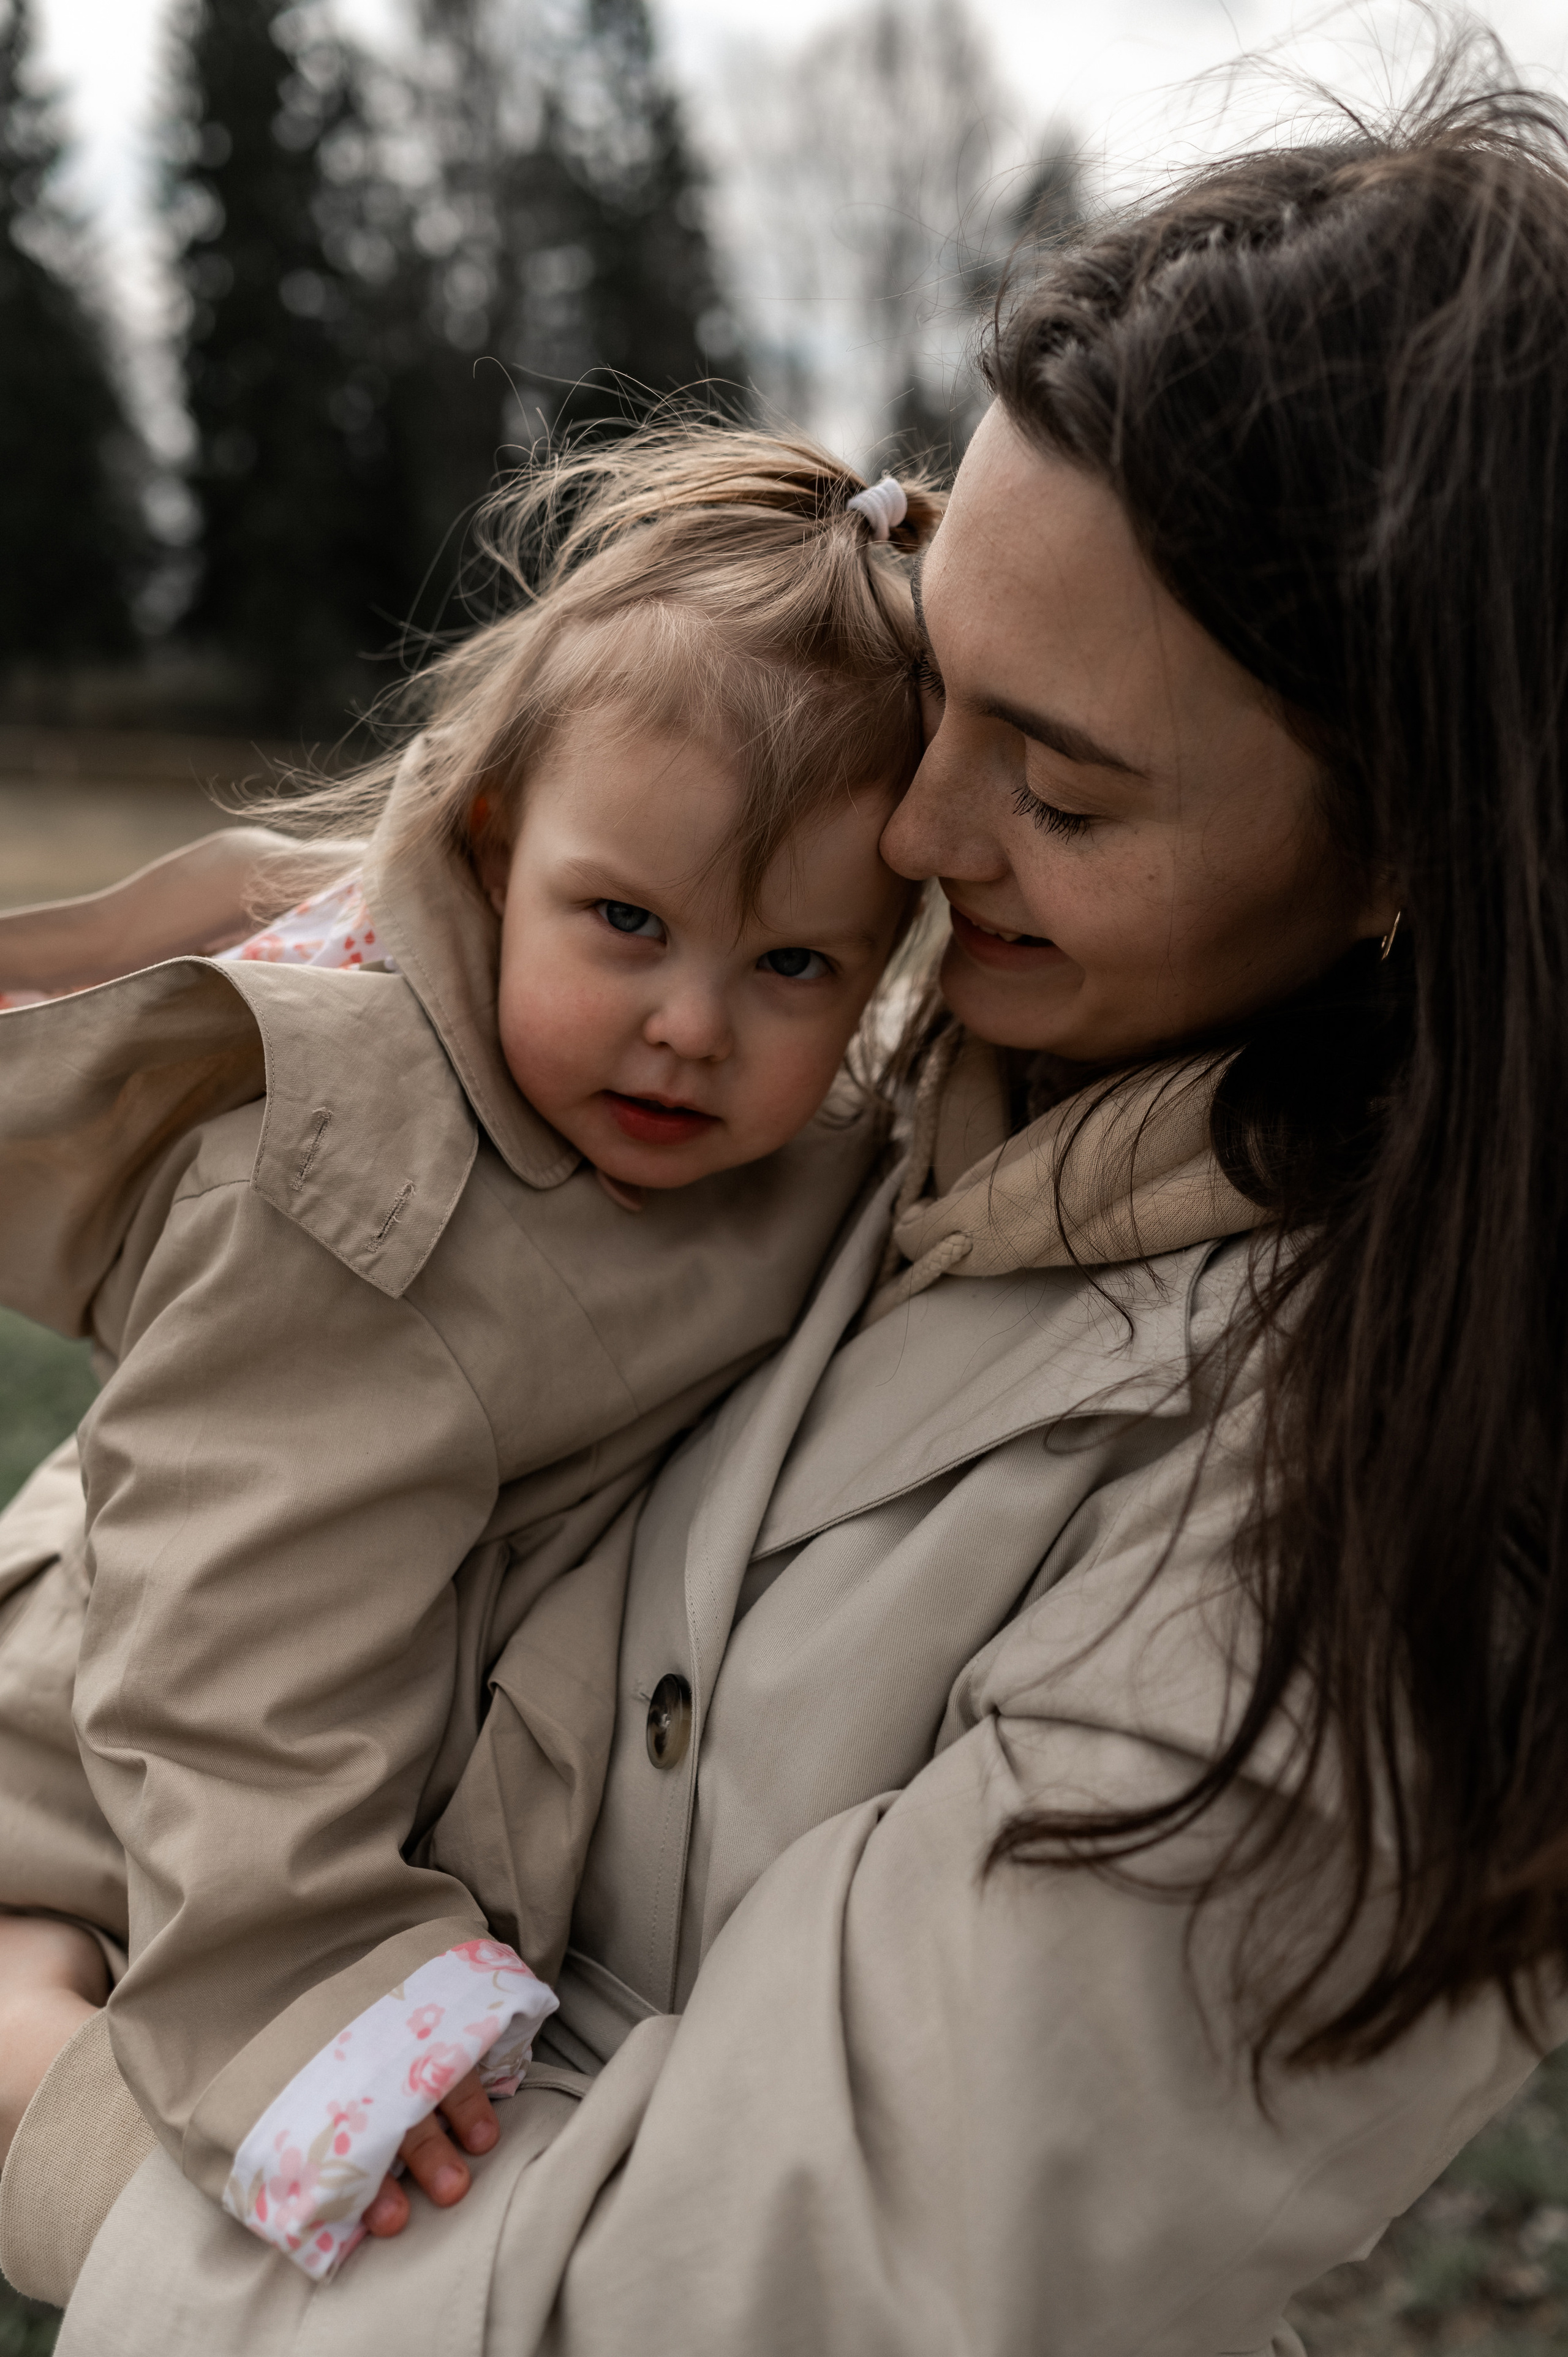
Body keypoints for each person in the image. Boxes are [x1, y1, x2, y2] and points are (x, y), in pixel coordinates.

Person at [9, 59, 1568, 2356]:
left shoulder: (1400, 1524)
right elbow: (254, 1434)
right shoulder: (897, 1087)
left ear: (1413, 859)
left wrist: (47, 2108)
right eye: (942, 691)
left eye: (1059, 783)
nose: (918, 835)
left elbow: (741, 2303)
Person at [0, 429, 935, 2280]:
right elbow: (224, 1617)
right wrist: (319, 1986)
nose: (690, 1028)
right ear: (498, 848)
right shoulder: (359, 1184)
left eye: (795, 968)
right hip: (109, 1794)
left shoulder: (745, 1141)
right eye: (629, 925)